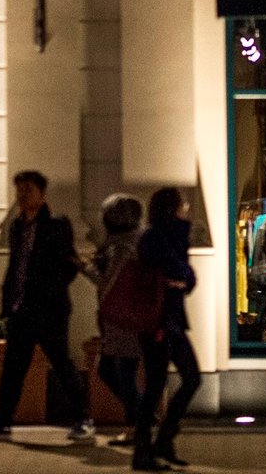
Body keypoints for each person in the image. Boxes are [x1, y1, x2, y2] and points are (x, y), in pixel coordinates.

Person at [0, 170, 95, 443]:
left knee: (62, 364)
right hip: (21, 309)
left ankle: (83, 419)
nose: (22, 195)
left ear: (42, 193)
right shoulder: (16, 227)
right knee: (13, 368)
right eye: (19, 190)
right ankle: (1, 423)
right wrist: (8, 301)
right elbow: (16, 267)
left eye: (28, 190)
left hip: (50, 309)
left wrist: (49, 290)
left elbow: (68, 265)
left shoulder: (57, 225)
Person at [132, 186, 201, 472]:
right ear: (173, 207)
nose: (185, 208)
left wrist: (184, 278)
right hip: (159, 321)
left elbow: (186, 278)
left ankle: (159, 442)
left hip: (166, 319)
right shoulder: (158, 236)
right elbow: (180, 272)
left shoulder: (163, 235)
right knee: (167, 383)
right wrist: (183, 277)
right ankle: (147, 448)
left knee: (178, 381)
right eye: (181, 204)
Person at [85, 193, 145, 447]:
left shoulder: (122, 246)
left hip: (123, 321)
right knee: (112, 370)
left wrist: (82, 266)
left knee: (119, 372)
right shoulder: (133, 241)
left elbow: (107, 283)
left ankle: (138, 426)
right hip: (127, 320)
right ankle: (142, 417)